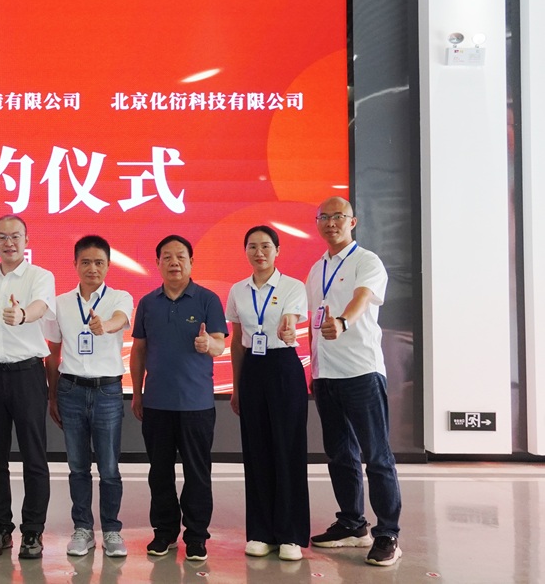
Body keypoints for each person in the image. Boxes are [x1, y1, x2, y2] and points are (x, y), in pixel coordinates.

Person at [305, 197, 402, 567]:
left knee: (376, 456)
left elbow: (362, 298)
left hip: (361, 372)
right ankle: (352, 524)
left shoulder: (367, 261)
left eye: (338, 217)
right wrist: (313, 367)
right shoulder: (316, 269)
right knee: (340, 455)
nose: (331, 223)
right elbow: (315, 320)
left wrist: (343, 322)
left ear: (353, 221)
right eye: (324, 217)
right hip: (326, 376)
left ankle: (388, 533)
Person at [129, 234, 226, 562]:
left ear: (191, 262)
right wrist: (137, 392)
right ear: (157, 263)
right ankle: (165, 532)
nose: (174, 262)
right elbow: (139, 350)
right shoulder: (147, 303)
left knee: (198, 473)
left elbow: (219, 344)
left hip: (196, 404)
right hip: (157, 403)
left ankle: (196, 536)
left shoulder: (208, 299)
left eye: (180, 256)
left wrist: (208, 345)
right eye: (167, 257)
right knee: (160, 473)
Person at [0, 214, 56, 560]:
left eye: (15, 236)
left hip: (27, 374)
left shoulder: (40, 276)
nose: (9, 242)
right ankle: (0, 528)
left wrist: (21, 317)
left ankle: (33, 531)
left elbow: (39, 308)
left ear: (26, 240)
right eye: (2, 237)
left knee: (34, 456)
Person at [44, 235, 133, 558]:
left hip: (107, 391)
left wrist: (104, 325)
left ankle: (111, 530)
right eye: (86, 262)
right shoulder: (60, 303)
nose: (92, 268)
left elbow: (120, 320)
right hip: (70, 390)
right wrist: (53, 395)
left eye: (99, 262)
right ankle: (82, 529)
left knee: (109, 467)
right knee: (78, 466)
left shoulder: (121, 297)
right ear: (75, 265)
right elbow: (53, 352)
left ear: (108, 266)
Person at [225, 226, 309, 561]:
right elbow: (236, 341)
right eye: (252, 247)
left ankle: (290, 535)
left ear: (277, 250)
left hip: (283, 365)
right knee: (256, 449)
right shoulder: (237, 290)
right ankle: (261, 532)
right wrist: (236, 386)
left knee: (287, 448)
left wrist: (287, 328)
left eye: (265, 246)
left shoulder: (293, 287)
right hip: (252, 369)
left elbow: (290, 319)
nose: (259, 253)